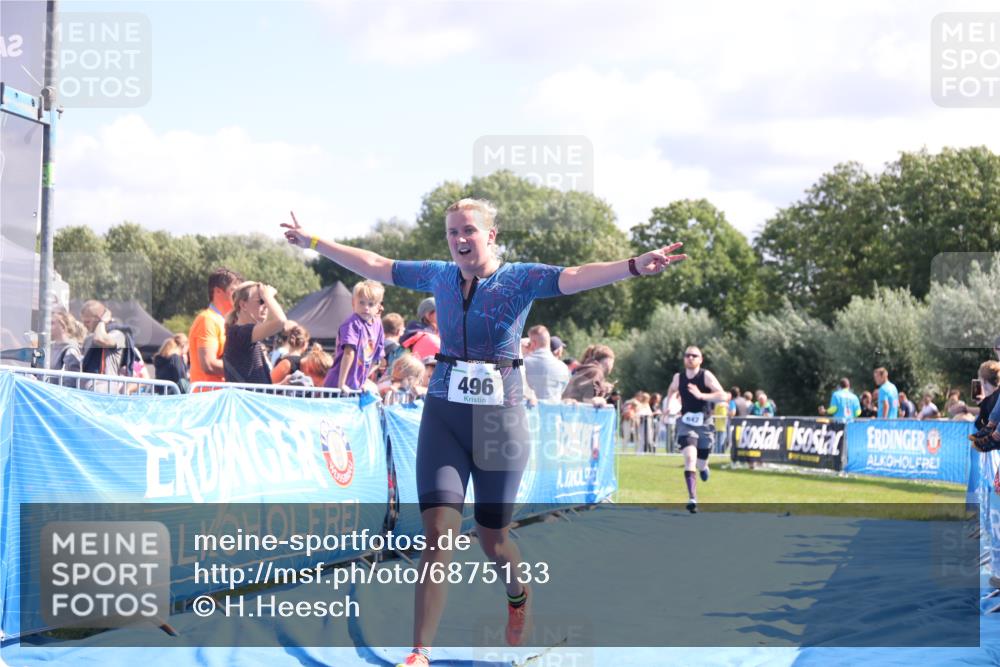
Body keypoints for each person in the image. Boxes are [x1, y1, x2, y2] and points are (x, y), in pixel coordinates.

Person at [282, 199, 686, 667]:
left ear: (491, 236)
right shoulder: (438, 275)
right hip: (445, 414)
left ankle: (517, 594)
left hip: (501, 419)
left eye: (469, 231)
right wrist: (312, 241)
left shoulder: (518, 279)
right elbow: (375, 264)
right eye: (452, 231)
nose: (459, 239)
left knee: (493, 537)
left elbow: (576, 275)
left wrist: (635, 266)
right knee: (438, 533)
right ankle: (420, 652)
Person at [665, 346, 729, 513]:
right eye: (687, 355)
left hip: (705, 423)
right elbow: (671, 391)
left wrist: (702, 395)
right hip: (685, 423)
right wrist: (669, 405)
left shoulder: (706, 376)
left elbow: (724, 395)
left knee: (701, 462)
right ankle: (692, 498)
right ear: (684, 359)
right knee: (689, 458)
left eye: (694, 356)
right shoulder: (678, 377)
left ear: (701, 359)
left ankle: (704, 468)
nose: (690, 358)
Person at [325, 280, 385, 393]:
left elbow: (377, 359)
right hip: (337, 385)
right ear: (353, 303)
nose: (366, 307)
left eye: (371, 304)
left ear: (378, 307)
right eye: (361, 302)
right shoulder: (352, 324)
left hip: (355, 387)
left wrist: (364, 380)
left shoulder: (378, 325)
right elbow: (349, 353)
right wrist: (341, 384)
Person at [223, 282, 287, 384]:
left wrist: (282, 385)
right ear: (243, 305)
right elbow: (280, 321)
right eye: (261, 301)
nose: (266, 305)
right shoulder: (238, 334)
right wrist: (268, 296)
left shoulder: (247, 335)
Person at [188, 267, 243, 386]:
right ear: (217, 291)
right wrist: (243, 371)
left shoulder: (226, 321)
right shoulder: (207, 319)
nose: (239, 296)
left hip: (220, 397)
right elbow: (209, 364)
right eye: (235, 291)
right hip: (208, 399)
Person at [79, 300, 130, 392]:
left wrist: (102, 321)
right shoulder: (89, 339)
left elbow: (100, 339)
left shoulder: (117, 334)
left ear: (99, 318)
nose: (84, 325)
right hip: (86, 391)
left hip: (105, 393)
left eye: (87, 322)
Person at [523, 325, 571, 400]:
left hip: (530, 410)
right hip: (554, 410)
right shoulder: (563, 367)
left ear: (534, 343)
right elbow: (563, 391)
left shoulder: (523, 363)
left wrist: (520, 349)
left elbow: (500, 365)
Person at [48, 310, 84, 381]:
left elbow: (71, 380)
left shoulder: (70, 350)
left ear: (62, 327)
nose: (47, 327)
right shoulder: (49, 347)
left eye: (52, 323)